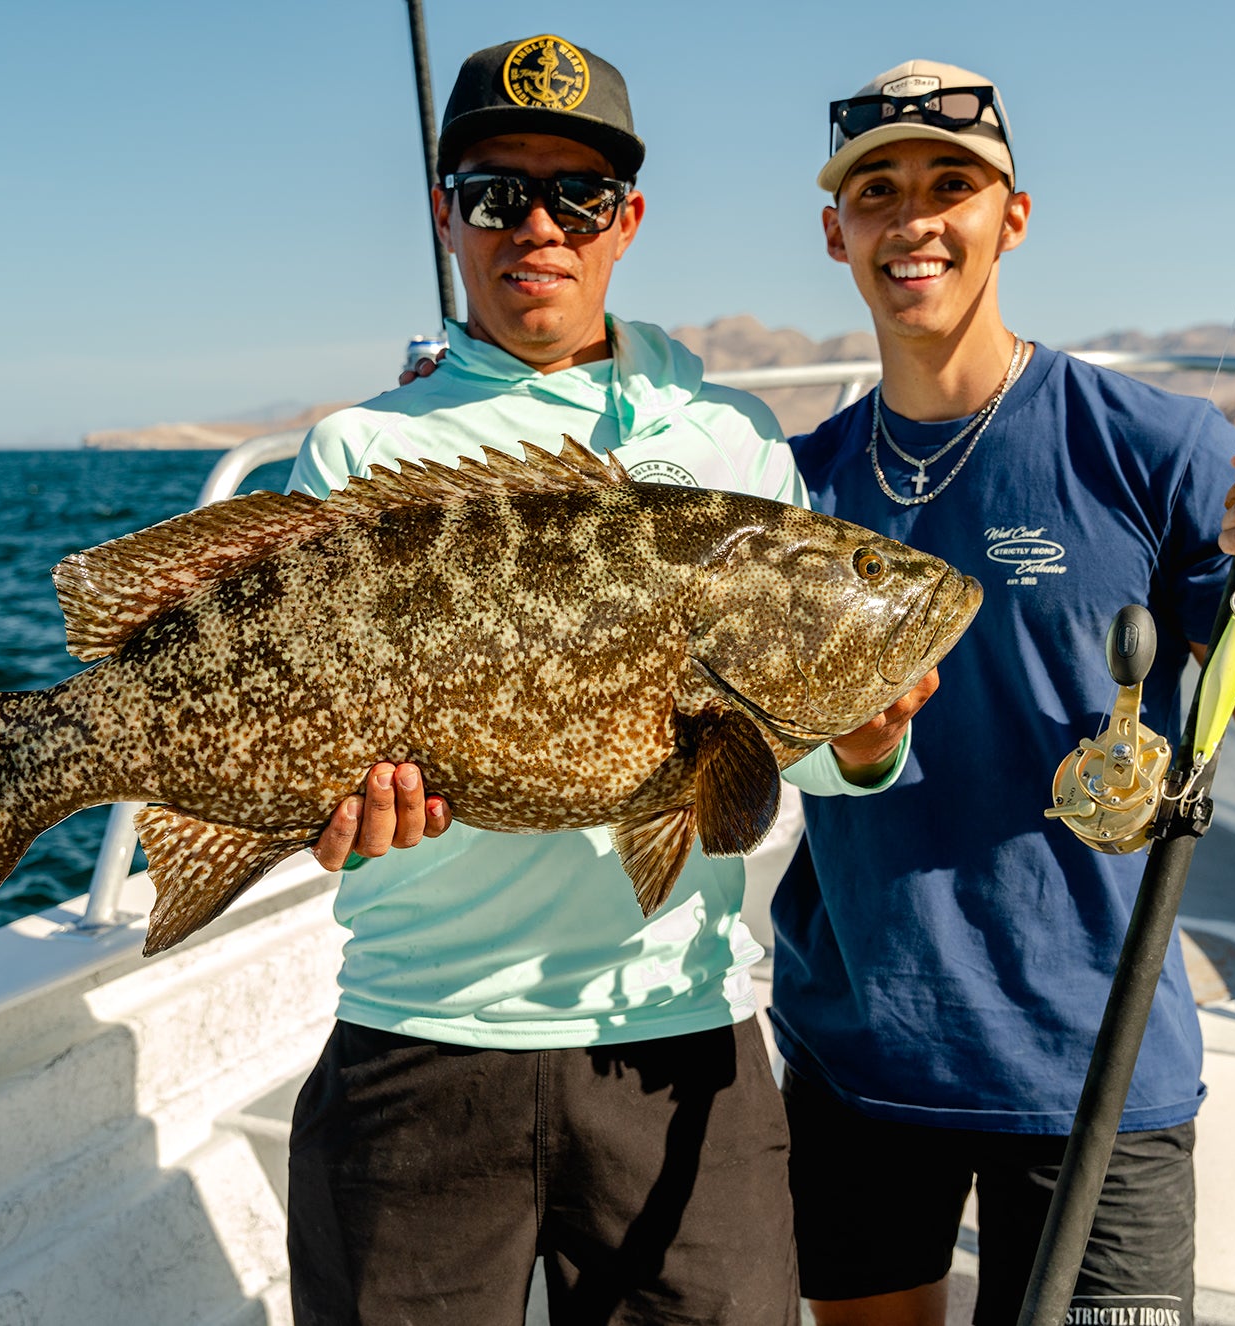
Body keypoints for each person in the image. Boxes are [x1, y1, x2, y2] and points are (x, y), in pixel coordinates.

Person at [281, 35, 925, 1325]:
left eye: (575, 194)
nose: (536, 225)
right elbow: (310, 755)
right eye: (493, 192)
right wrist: (329, 820)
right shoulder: (356, 448)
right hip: (416, 1039)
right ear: (445, 215)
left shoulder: (730, 438)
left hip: (677, 1043)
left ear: (625, 220)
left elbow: (773, 763)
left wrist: (859, 745)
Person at [771, 60, 1235, 1326]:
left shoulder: (1156, 447)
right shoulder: (795, 488)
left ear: (1014, 216)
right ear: (836, 232)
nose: (913, 219)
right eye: (876, 191)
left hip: (1100, 1072)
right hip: (858, 1061)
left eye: (952, 185)